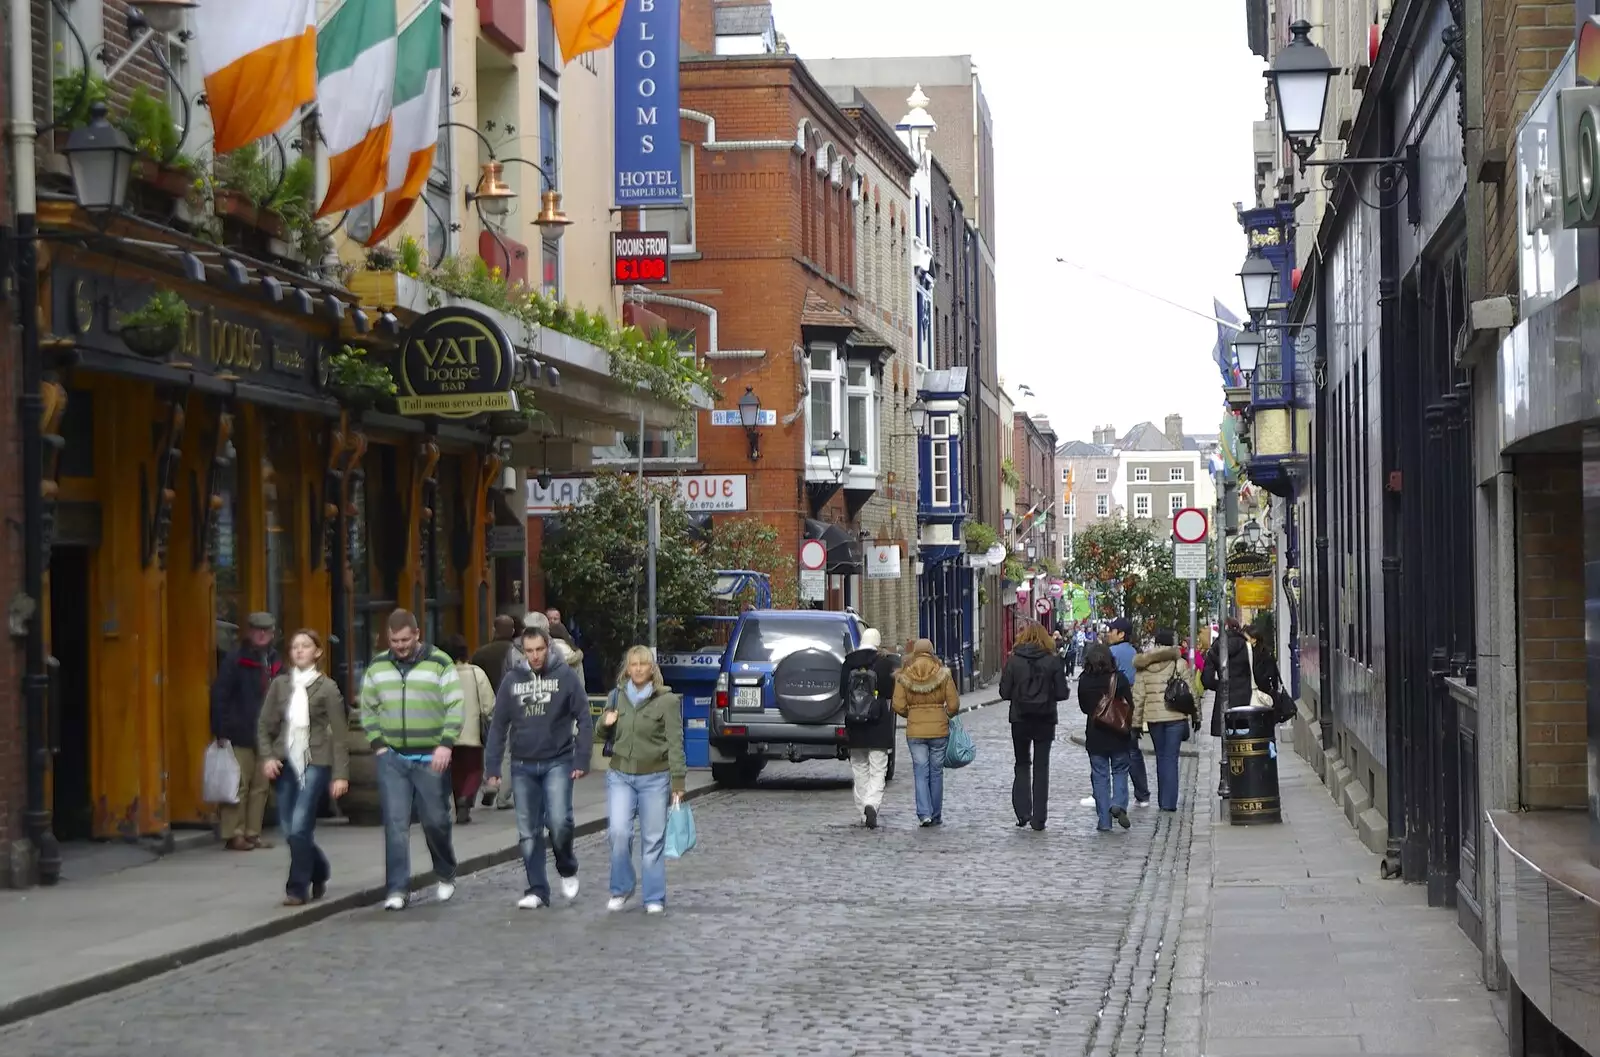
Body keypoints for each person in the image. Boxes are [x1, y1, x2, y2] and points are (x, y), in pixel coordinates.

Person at [358, 609, 464, 911]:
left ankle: (445, 871)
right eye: (394, 640)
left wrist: (446, 743)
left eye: (405, 639)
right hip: (393, 757)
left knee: (436, 820)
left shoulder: (440, 662)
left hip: (432, 756)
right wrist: (377, 742)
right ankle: (397, 888)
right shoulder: (377, 667)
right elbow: (368, 707)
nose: (400, 646)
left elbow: (455, 703)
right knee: (395, 825)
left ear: (417, 634)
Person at [483, 626, 593, 909]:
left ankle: (567, 866)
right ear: (523, 651)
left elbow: (584, 716)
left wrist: (582, 758)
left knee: (559, 822)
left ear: (548, 647)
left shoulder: (565, 676)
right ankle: (537, 889)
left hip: (558, 760)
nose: (535, 656)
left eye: (539, 650)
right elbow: (498, 726)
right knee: (528, 831)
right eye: (529, 651)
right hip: (522, 764)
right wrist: (493, 767)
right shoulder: (511, 680)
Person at [256, 629, 348, 905]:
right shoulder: (280, 685)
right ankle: (319, 869)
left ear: (317, 652)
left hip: (316, 761)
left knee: (299, 826)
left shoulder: (328, 688)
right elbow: (265, 725)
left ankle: (296, 888)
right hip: (285, 761)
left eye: (305, 646)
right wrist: (268, 757)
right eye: (295, 646)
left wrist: (341, 775)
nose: (299, 651)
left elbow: (341, 734)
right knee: (290, 829)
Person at [600, 646, 686, 914]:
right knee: (618, 833)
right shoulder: (616, 696)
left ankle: (654, 897)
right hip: (621, 775)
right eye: (633, 664)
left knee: (652, 840)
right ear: (627, 668)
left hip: (655, 778)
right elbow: (600, 732)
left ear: (652, 669)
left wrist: (678, 783)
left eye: (643, 664)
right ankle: (622, 887)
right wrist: (605, 722)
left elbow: (675, 743)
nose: (637, 669)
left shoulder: (667, 701)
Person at [211, 612, 283, 851]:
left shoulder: (274, 661)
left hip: (266, 735)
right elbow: (220, 695)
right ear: (249, 632)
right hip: (239, 731)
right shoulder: (235, 660)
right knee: (238, 785)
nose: (261, 634)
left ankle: (253, 833)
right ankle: (234, 834)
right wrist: (220, 730)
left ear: (272, 633)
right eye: (256, 630)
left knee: (261, 787)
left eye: (266, 631)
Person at [1000, 622, 1068, 831]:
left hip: (1020, 719)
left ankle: (1023, 813)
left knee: (1021, 764)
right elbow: (1062, 693)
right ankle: (1039, 818)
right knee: (1041, 767)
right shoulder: (1053, 661)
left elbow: (1004, 692)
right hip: (1045, 719)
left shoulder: (1013, 661)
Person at [892, 639, 960, 827]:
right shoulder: (942, 673)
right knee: (936, 772)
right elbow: (954, 704)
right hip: (939, 730)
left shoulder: (905, 674)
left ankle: (924, 814)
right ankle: (936, 813)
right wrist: (944, 714)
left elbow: (897, 704)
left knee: (920, 771)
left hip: (915, 731)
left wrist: (911, 714)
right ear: (931, 652)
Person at [840, 628, 898, 829]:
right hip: (878, 724)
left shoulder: (848, 662)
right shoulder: (884, 663)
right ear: (878, 642)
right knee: (878, 769)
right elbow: (890, 692)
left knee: (859, 769)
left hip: (855, 725)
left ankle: (863, 812)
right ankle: (871, 804)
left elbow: (841, 693)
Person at [1131, 628, 1193, 813]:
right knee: (1171, 759)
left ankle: (1162, 800)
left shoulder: (1144, 666)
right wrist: (1196, 715)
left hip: (1154, 718)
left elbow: (1138, 697)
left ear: (1156, 644)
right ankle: (1169, 802)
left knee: (1161, 757)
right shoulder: (1179, 663)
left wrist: (1135, 723)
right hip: (1176, 716)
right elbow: (1191, 692)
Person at [1077, 642, 1134, 832]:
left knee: (1100, 776)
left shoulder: (1084, 680)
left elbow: (1084, 707)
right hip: (1118, 733)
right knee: (1120, 770)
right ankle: (1118, 802)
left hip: (1095, 734)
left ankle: (1104, 821)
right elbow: (1129, 704)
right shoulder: (1119, 679)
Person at [443, 635, 495, 825]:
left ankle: (459, 804)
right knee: (474, 769)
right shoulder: (476, 673)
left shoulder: (442, 675)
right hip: (472, 730)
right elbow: (488, 704)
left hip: (448, 732)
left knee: (456, 771)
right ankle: (466, 798)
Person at [1201, 619, 1256, 798]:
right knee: (1246, 742)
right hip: (1246, 700)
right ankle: (1246, 780)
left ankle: (1227, 780)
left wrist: (1221, 686)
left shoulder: (1215, 649)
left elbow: (1206, 680)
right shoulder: (1246, 646)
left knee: (1227, 744)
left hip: (1225, 701)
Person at [1104, 617, 1151, 808]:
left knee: (1106, 752)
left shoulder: (1111, 652)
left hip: (1114, 707)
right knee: (1132, 750)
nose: (1109, 633)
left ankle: (1105, 794)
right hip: (1131, 706)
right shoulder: (1134, 652)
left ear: (1121, 633)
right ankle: (1142, 794)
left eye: (1112, 630)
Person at [470, 615, 519, 690]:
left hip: (490, 697)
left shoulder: (480, 654)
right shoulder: (520, 652)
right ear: (513, 631)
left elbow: (474, 681)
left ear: (493, 630)